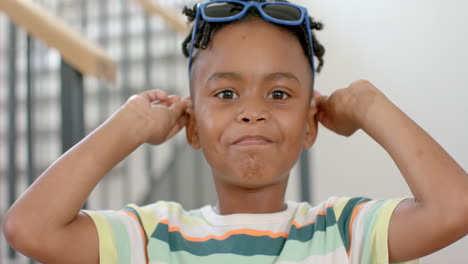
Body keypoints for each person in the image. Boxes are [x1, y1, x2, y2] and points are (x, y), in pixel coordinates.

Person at [3, 0, 468, 263]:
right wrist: (128, 126)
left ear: (311, 125)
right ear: (192, 126)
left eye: (280, 95)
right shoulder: (152, 237)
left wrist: (368, 105)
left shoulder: (345, 231)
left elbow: (455, 208)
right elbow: (29, 228)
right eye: (226, 94)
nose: (252, 111)